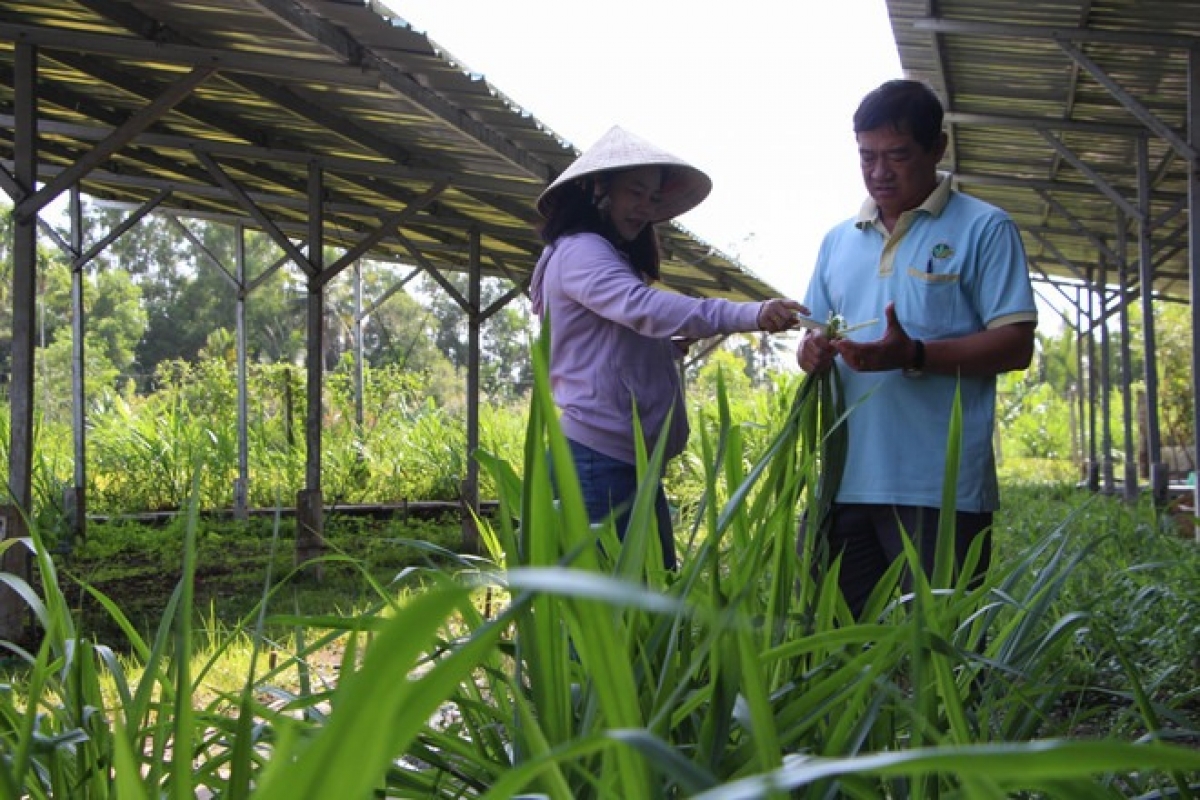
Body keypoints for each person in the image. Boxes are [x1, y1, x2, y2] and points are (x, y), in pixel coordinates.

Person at [796, 79, 1037, 617]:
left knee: (942, 651)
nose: (879, 171)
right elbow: (815, 334)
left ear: (937, 149)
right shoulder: (838, 240)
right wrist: (811, 353)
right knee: (836, 649)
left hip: (938, 486)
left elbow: (1016, 344)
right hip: (843, 480)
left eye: (897, 155)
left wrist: (915, 355)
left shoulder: (984, 228)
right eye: (867, 156)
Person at [530, 125, 806, 570]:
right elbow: (644, 310)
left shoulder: (603, 255)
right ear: (599, 189)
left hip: (628, 463)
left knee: (647, 607)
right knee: (613, 617)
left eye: (653, 198)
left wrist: (668, 349)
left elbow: (613, 344)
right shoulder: (582, 251)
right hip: (598, 464)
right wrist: (749, 314)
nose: (645, 208)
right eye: (635, 193)